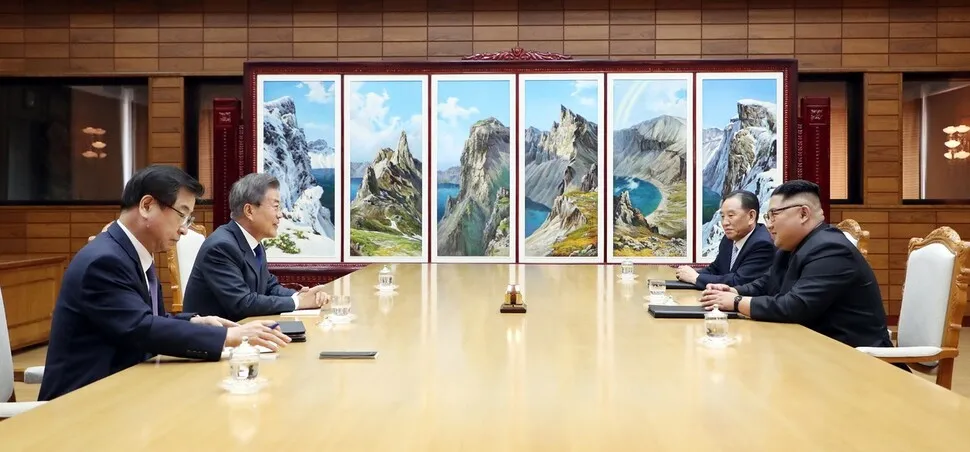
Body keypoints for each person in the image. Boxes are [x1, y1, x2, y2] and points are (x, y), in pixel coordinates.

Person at [39, 165, 290, 401]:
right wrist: (228, 335)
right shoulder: (105, 260)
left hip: (128, 389)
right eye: (182, 215)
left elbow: (144, 317)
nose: (184, 230)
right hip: (85, 403)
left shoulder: (130, 252)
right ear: (147, 205)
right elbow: (140, 328)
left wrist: (195, 320)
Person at [698, 180, 895, 350]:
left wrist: (735, 301)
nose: (769, 224)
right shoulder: (791, 247)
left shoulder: (831, 249)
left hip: (851, 357)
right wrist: (732, 289)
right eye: (768, 217)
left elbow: (794, 306)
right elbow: (766, 284)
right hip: (809, 347)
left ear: (803, 214)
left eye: (774, 215)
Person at [182, 173, 329, 322]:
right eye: (276, 207)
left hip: (244, 332)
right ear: (249, 211)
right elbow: (242, 303)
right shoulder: (221, 247)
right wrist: (298, 303)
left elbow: (269, 287)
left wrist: (299, 296)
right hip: (215, 340)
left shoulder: (253, 243)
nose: (280, 215)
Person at [675, 190, 774, 288]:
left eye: (730, 215)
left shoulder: (762, 244)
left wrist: (696, 278)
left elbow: (739, 281)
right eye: (722, 216)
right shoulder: (728, 240)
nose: (724, 222)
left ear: (751, 216)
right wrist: (687, 274)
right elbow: (715, 270)